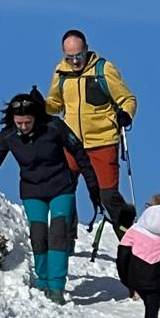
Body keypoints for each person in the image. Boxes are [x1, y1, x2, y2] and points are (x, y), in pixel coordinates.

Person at [0, 88, 100, 305]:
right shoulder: (9, 135)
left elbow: (80, 155)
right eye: (19, 123)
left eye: (28, 122)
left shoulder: (54, 127)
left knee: (58, 233)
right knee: (38, 234)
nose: (24, 127)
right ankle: (43, 280)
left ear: (36, 117)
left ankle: (56, 286)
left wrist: (94, 190)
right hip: (32, 191)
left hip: (61, 188)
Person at [44, 29, 138, 230]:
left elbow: (127, 99)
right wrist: (41, 106)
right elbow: (56, 103)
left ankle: (129, 238)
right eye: (69, 57)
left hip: (102, 141)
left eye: (79, 56)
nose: (74, 61)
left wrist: (126, 114)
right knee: (63, 190)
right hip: (71, 141)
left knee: (108, 196)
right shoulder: (61, 72)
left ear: (86, 49)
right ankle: (64, 238)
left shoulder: (103, 70)